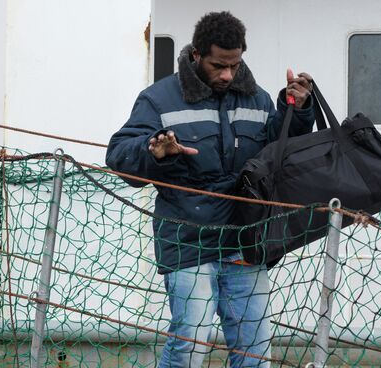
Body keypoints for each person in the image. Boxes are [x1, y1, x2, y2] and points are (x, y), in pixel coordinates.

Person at [106, 12, 314, 367]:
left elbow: (278, 154)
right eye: (219, 65)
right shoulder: (158, 99)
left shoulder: (259, 99)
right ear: (196, 55)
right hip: (189, 241)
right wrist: (155, 152)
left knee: (256, 350)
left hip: (246, 240)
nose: (227, 75)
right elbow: (118, 155)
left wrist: (299, 108)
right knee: (191, 345)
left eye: (234, 65)